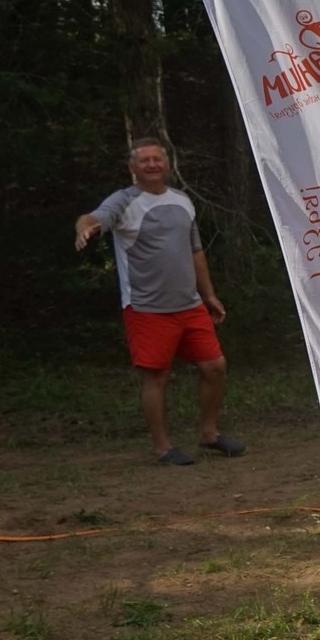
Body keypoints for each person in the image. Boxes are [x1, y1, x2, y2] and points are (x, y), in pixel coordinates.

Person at [75, 138, 242, 465]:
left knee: (215, 367)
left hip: (190, 305)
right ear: (132, 167)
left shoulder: (182, 201)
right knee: (157, 376)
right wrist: (86, 229)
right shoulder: (124, 202)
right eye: (144, 160)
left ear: (167, 164)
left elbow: (195, 251)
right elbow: (92, 218)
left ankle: (210, 433)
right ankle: (163, 447)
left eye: (157, 159)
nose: (152, 165)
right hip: (147, 308)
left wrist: (209, 295)